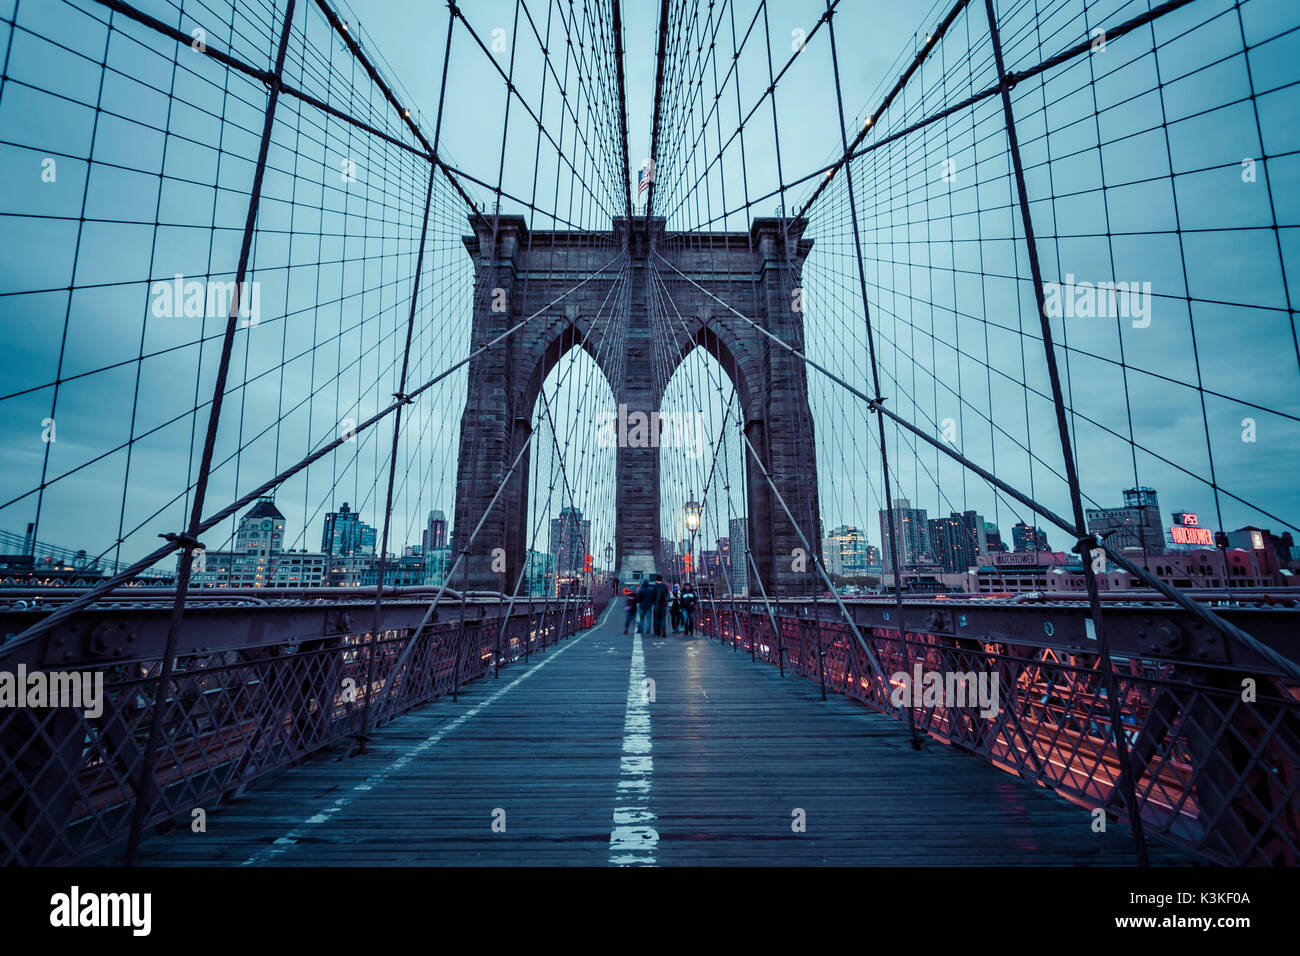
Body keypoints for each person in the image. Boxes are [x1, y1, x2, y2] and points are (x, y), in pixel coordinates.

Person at [653, 573, 669, 638]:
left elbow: (653, 595)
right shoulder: (665, 586)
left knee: (657, 619)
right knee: (663, 618)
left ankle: (657, 632)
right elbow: (667, 594)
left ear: (656, 579)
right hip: (663, 604)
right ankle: (664, 631)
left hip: (657, 605)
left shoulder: (655, 586)